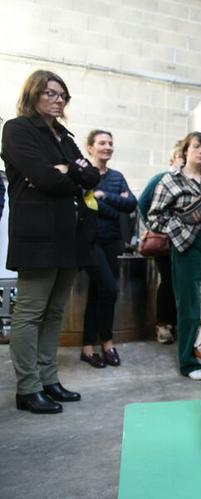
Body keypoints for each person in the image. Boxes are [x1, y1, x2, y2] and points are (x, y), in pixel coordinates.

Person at [1, 70, 100, 413]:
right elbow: (44, 177)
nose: (58, 100)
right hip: (37, 236)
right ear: (33, 95)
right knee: (30, 312)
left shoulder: (64, 136)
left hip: (68, 235)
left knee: (55, 311)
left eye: (63, 96)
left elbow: (91, 175)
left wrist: (66, 170)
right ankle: (28, 389)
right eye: (51, 94)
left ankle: (49, 380)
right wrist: (67, 172)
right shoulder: (17, 130)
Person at [147, 131, 201, 380]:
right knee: (188, 305)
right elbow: (154, 217)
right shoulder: (170, 181)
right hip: (186, 245)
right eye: (196, 146)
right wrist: (177, 230)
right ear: (185, 151)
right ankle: (188, 363)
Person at [80, 130, 136, 368]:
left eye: (111, 143)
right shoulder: (84, 175)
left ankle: (88, 347)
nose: (108, 147)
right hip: (90, 241)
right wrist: (113, 204)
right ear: (90, 147)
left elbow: (131, 203)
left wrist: (104, 196)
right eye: (102, 143)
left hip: (111, 241)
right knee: (110, 290)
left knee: (99, 293)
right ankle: (107, 341)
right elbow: (85, 206)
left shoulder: (117, 176)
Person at [137, 143, 182, 344]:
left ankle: (180, 323)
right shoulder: (160, 178)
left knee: (184, 284)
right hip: (165, 243)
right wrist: (153, 226)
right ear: (173, 159)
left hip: (187, 243)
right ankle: (164, 324)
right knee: (168, 282)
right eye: (181, 155)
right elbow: (142, 203)